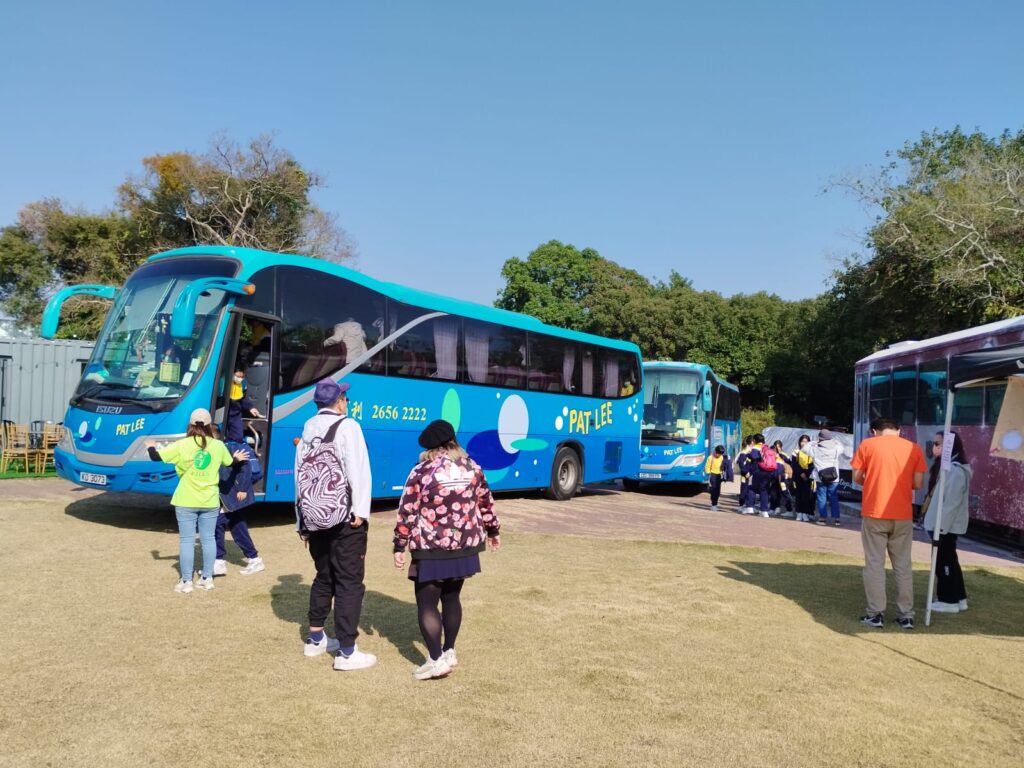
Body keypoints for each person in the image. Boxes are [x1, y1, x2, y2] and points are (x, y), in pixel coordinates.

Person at [394, 419, 501, 681]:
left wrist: (399, 544)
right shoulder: (473, 467)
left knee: (427, 602)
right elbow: (486, 502)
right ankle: (449, 651)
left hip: (431, 546)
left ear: (428, 446)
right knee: (452, 598)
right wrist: (493, 531)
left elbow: (407, 509)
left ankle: (435, 660)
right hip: (465, 545)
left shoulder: (421, 471)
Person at [295, 378, 376, 671]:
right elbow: (358, 469)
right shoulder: (348, 426)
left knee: (324, 576)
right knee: (349, 582)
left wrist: (302, 522)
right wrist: (361, 511)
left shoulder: (307, 430)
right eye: (346, 399)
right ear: (339, 401)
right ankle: (347, 652)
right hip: (344, 517)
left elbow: (299, 478)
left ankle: (316, 638)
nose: (347, 403)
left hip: (314, 517)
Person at [147, 409, 248, 593]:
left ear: (190, 425)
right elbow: (229, 463)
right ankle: (207, 579)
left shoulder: (182, 444)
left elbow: (155, 457)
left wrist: (151, 446)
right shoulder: (218, 445)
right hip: (209, 500)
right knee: (208, 539)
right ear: (209, 425)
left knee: (186, 541)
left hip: (185, 499)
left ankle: (186, 581)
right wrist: (237, 458)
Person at [851, 417, 927, 630]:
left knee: (874, 563)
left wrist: (872, 482)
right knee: (903, 565)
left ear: (874, 431)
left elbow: (857, 476)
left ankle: (875, 613)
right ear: (899, 430)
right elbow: (918, 483)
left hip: (875, 511)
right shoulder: (913, 448)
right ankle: (906, 615)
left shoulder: (867, 445)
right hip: (903, 513)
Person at [923, 431, 972, 614]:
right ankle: (958, 598)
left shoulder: (955, 470)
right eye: (934, 443)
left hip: (945, 526)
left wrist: (940, 529)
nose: (934, 447)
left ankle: (948, 600)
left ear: (949, 445)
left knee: (943, 562)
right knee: (950, 560)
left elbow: (951, 503)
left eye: (938, 443)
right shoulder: (949, 467)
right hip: (944, 525)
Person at [213, 436, 265, 576]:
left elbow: (245, 469)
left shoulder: (228, 447)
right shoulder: (218, 448)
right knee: (236, 525)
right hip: (226, 496)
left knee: (219, 523)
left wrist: (242, 488)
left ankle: (219, 561)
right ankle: (253, 559)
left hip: (229, 495)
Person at [806, 429, 844, 527]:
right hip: (834, 477)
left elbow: (804, 448)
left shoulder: (815, 449)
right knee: (833, 498)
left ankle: (823, 519)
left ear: (820, 438)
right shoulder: (836, 448)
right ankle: (837, 519)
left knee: (821, 498)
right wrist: (834, 441)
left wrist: (814, 442)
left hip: (821, 477)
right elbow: (841, 447)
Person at [225, 366, 262, 443]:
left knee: (238, 436)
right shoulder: (224, 382)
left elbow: (243, 399)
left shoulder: (242, 385)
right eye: (238, 376)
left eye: (242, 377)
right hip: (223, 413)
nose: (240, 379)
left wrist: (251, 407)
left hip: (235, 414)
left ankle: (243, 440)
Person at [791, 434, 815, 522]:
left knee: (807, 495)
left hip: (808, 477)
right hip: (798, 476)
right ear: (799, 442)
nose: (804, 443)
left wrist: (807, 474)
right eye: (802, 441)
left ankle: (805, 513)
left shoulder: (812, 452)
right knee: (799, 495)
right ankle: (799, 513)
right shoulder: (796, 452)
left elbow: (812, 465)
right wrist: (801, 473)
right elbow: (794, 464)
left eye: (806, 441)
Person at [704, 444, 734, 511]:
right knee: (714, 490)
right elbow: (707, 466)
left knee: (718, 491)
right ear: (715, 451)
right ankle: (713, 505)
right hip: (713, 475)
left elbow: (725, 465)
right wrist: (708, 473)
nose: (718, 455)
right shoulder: (710, 458)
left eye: (720, 454)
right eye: (718, 453)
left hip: (719, 475)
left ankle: (715, 502)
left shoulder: (722, 457)